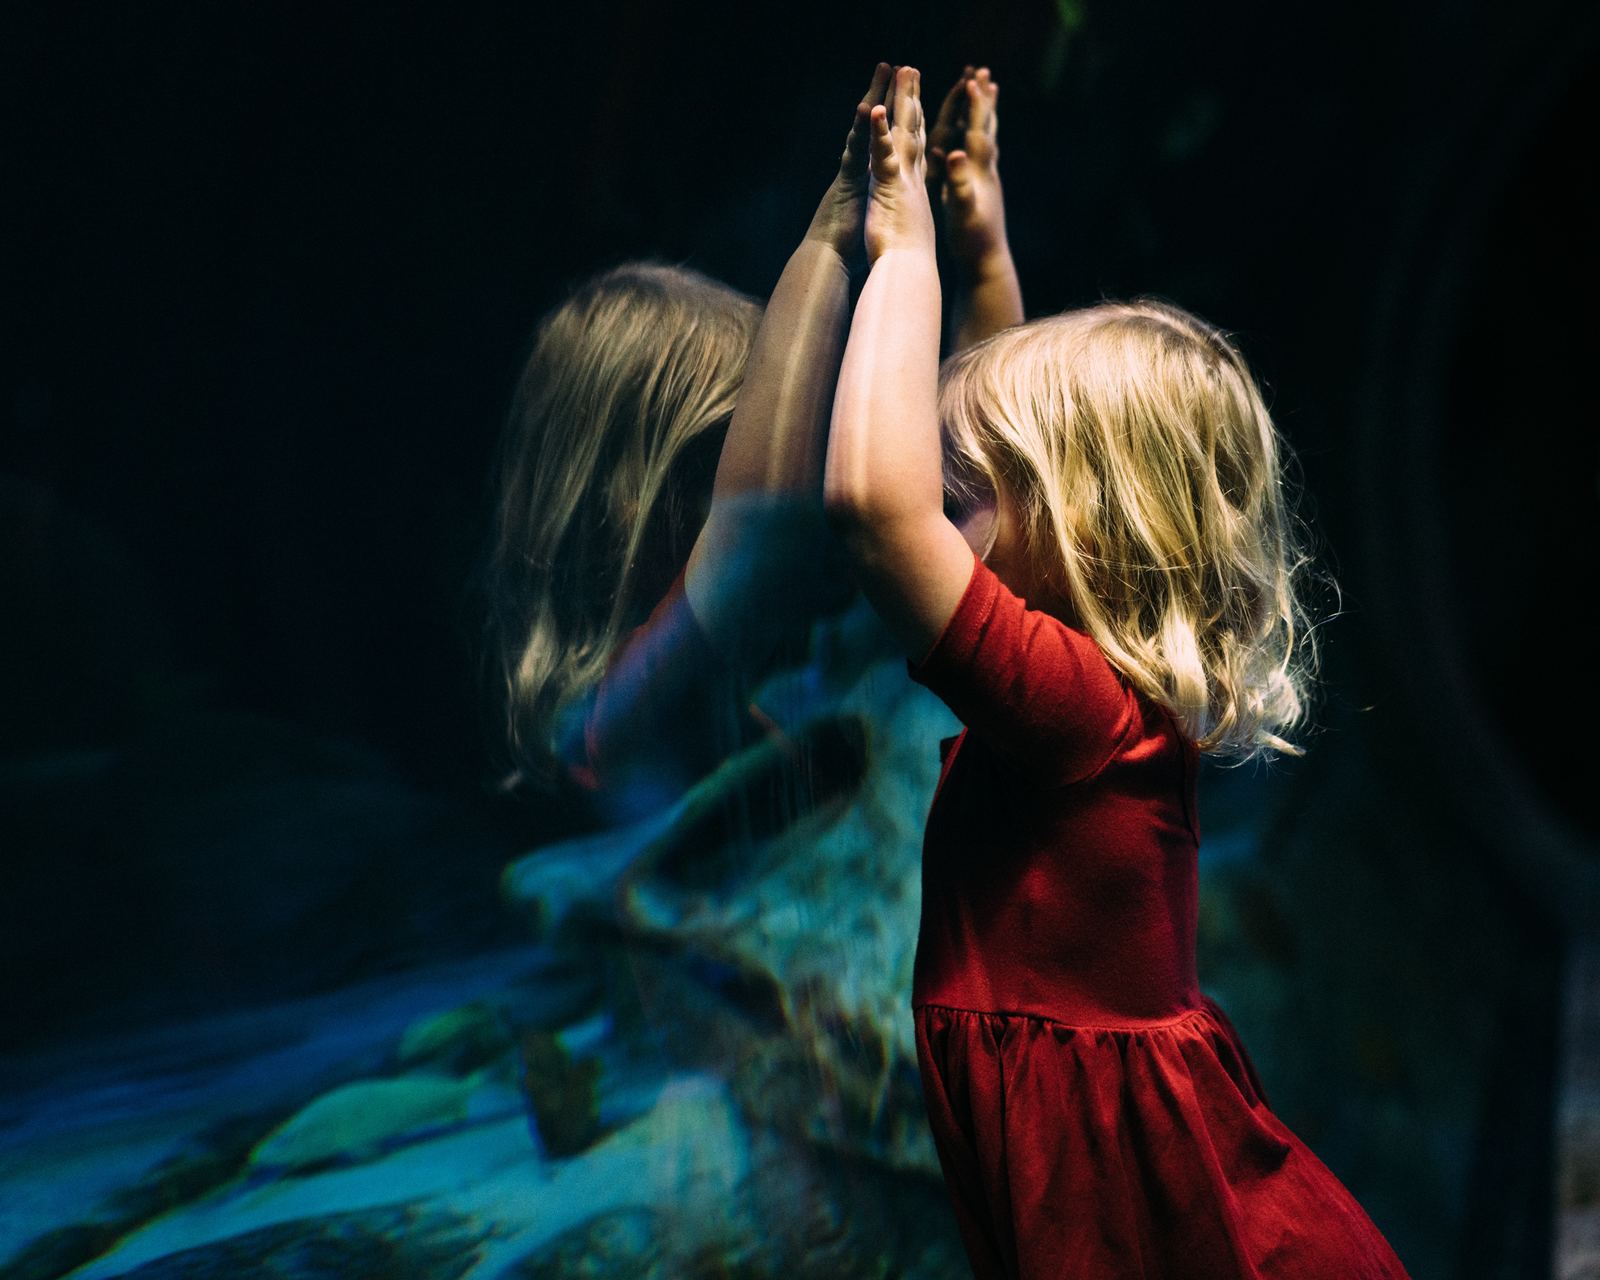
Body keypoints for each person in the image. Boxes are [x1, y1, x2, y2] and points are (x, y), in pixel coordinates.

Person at [824, 66, 1411, 1278]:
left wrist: (905, 254)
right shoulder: (1099, 696)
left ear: (1078, 524)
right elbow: (982, 437)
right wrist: (983, 248)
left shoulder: (1080, 714)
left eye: (970, 493)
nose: (944, 503)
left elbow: (875, 507)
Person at [488, 62, 1023, 823]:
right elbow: (754, 538)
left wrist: (983, 264)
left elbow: (963, 521)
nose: (796, 468)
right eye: (735, 450)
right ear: (629, 493)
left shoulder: (762, 693)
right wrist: (832, 243)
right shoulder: (602, 729)